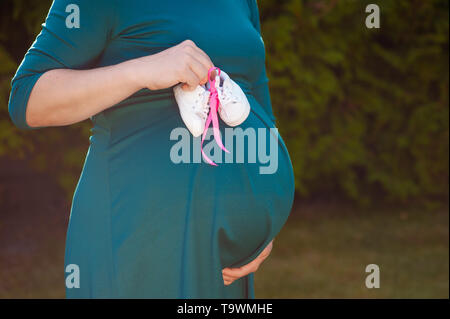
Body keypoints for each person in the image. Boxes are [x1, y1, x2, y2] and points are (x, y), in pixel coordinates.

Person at [8, 0, 295, 298]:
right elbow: (27, 99)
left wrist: (264, 224)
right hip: (141, 235)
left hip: (228, 260)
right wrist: (143, 71)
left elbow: (259, 103)